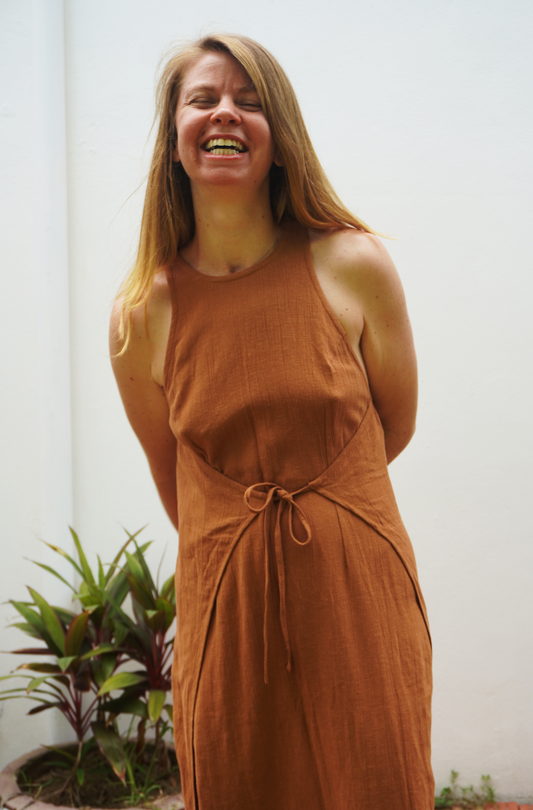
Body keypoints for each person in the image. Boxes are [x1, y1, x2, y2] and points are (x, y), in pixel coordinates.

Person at [110, 33, 434, 810]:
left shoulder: (352, 264)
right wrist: (246, 546)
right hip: (228, 613)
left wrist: (324, 520)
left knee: (377, 783)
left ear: (279, 139)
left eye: (249, 102)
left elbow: (393, 426)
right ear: (174, 142)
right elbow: (174, 476)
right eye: (203, 99)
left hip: (358, 600)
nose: (225, 113)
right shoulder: (142, 314)